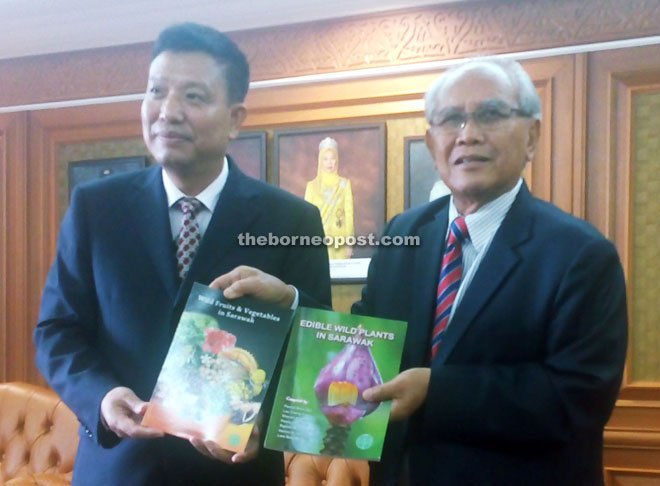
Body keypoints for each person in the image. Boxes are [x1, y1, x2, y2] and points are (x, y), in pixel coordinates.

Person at [34, 23, 331, 486]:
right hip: (119, 469)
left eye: (193, 97)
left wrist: (264, 425)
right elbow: (57, 331)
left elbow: (318, 350)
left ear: (235, 118)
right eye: (156, 91)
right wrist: (103, 396)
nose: (168, 112)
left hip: (232, 474)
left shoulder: (292, 220)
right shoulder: (96, 208)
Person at [352, 58, 628, 485]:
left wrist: (435, 393)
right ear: (431, 141)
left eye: (491, 114)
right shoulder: (404, 232)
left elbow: (576, 399)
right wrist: (292, 303)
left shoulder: (581, 254)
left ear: (532, 136)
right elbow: (365, 335)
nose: (468, 134)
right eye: (451, 120)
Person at [304, 137, 355, 259]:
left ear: (336, 160)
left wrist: (349, 244)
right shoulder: (311, 186)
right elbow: (305, 218)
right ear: (320, 161)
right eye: (325, 159)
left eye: (332, 159)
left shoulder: (344, 184)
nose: (329, 163)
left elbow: (349, 215)